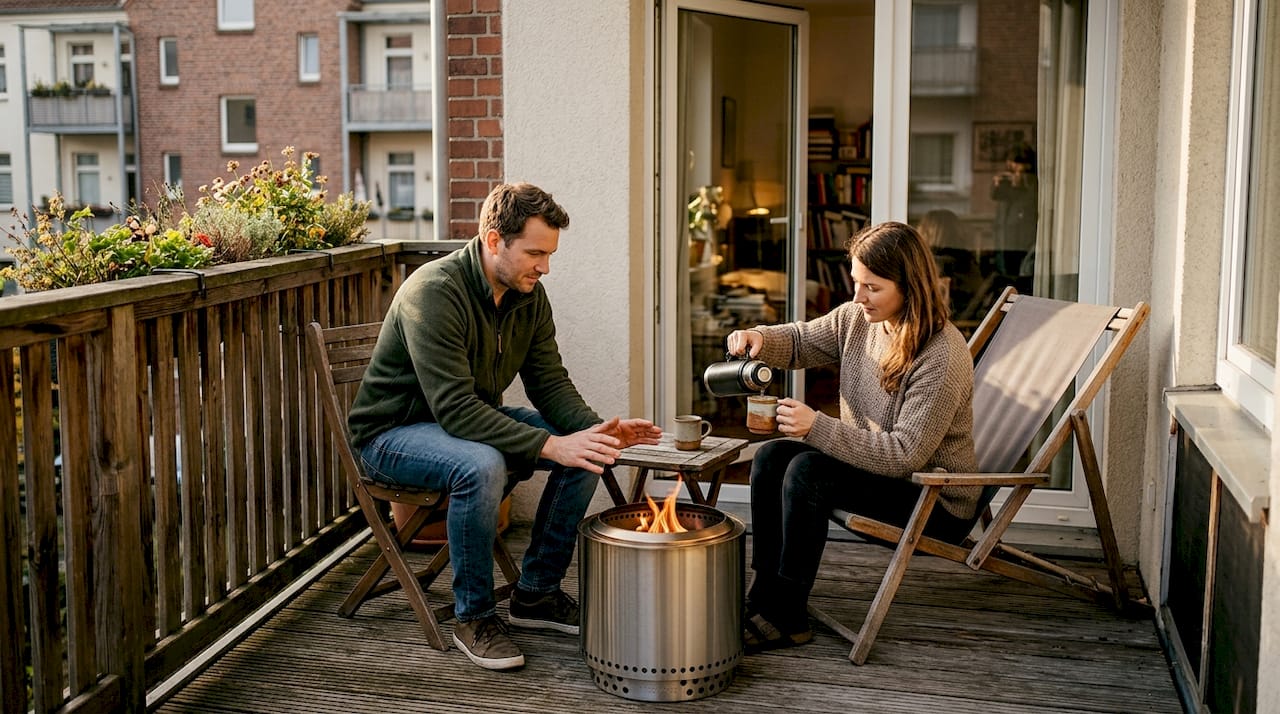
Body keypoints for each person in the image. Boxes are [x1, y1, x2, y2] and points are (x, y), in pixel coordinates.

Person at [347, 182, 662, 671]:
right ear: (494, 240)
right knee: (482, 464)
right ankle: (473, 618)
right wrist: (550, 445)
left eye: (550, 254)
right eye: (535, 252)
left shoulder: (527, 297)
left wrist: (597, 432)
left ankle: (535, 593)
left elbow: (550, 383)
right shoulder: (434, 292)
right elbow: (455, 409)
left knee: (585, 452)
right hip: (392, 435)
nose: (545, 267)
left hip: (461, 422)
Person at [724, 221, 978, 653]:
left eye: (872, 287)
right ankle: (765, 593)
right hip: (879, 476)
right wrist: (760, 338)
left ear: (909, 286)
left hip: (933, 499)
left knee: (807, 470)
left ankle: (787, 615)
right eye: (856, 283)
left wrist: (817, 427)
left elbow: (905, 454)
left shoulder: (942, 353)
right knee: (770, 456)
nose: (858, 297)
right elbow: (803, 341)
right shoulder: (858, 320)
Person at [989, 143, 1038, 279]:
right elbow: (994, 194)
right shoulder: (1008, 185)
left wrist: (1023, 180)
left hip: (1023, 240)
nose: (1015, 173)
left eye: (1019, 169)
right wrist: (999, 182)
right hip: (1005, 239)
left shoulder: (1032, 184)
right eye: (1011, 168)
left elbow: (1032, 200)